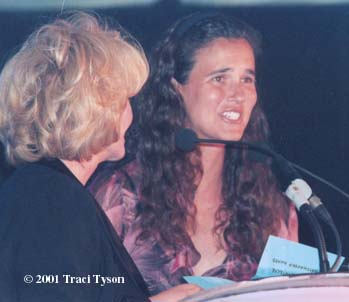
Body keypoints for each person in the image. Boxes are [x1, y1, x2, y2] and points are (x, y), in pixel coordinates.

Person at [89, 12, 298, 295]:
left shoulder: (276, 212)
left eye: (247, 79)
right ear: (177, 88)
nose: (237, 94)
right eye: (219, 78)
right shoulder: (120, 197)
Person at [0, 11, 199, 302]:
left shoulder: (44, 191)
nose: (132, 113)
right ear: (96, 108)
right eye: (126, 100)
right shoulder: (53, 200)